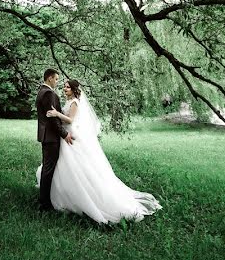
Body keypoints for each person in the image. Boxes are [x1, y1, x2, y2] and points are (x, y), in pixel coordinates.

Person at [36, 78, 161, 224]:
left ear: (74, 89)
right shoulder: (69, 101)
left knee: (77, 168)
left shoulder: (75, 102)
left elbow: (70, 120)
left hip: (71, 137)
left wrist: (57, 114)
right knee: (63, 166)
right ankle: (61, 195)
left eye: (68, 87)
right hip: (66, 137)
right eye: (64, 86)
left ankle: (81, 197)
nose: (65, 89)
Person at [35, 69, 73, 211]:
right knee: (48, 169)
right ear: (50, 78)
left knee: (47, 167)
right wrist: (64, 134)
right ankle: (44, 204)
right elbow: (52, 119)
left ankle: (45, 200)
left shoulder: (41, 91)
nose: (57, 82)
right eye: (56, 79)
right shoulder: (49, 93)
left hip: (46, 136)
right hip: (51, 137)